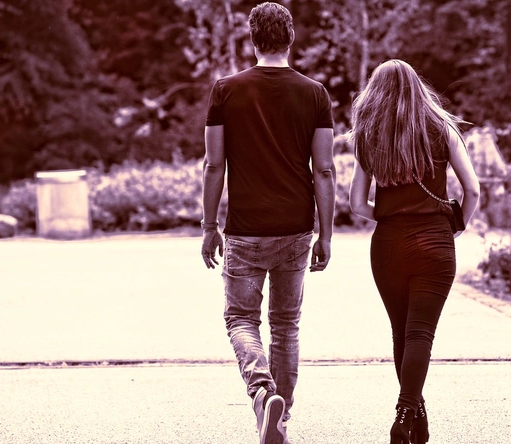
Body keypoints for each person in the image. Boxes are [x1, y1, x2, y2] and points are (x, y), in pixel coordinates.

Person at [200, 3, 335, 444]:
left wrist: (208, 226)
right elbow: (324, 169)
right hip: (296, 227)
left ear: (253, 39)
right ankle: (281, 416)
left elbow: (213, 164)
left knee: (241, 319)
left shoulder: (226, 91)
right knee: (285, 326)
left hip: (244, 229)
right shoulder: (315, 94)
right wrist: (326, 233)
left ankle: (262, 393)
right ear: (290, 38)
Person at [348, 59, 480, 444]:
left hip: (388, 243)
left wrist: (390, 213)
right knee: (420, 333)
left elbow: (356, 204)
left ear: (374, 95)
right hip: (435, 241)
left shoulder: (368, 137)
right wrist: (457, 224)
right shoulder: (442, 129)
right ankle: (407, 414)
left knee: (401, 332)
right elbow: (472, 190)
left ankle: (412, 418)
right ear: (417, 89)